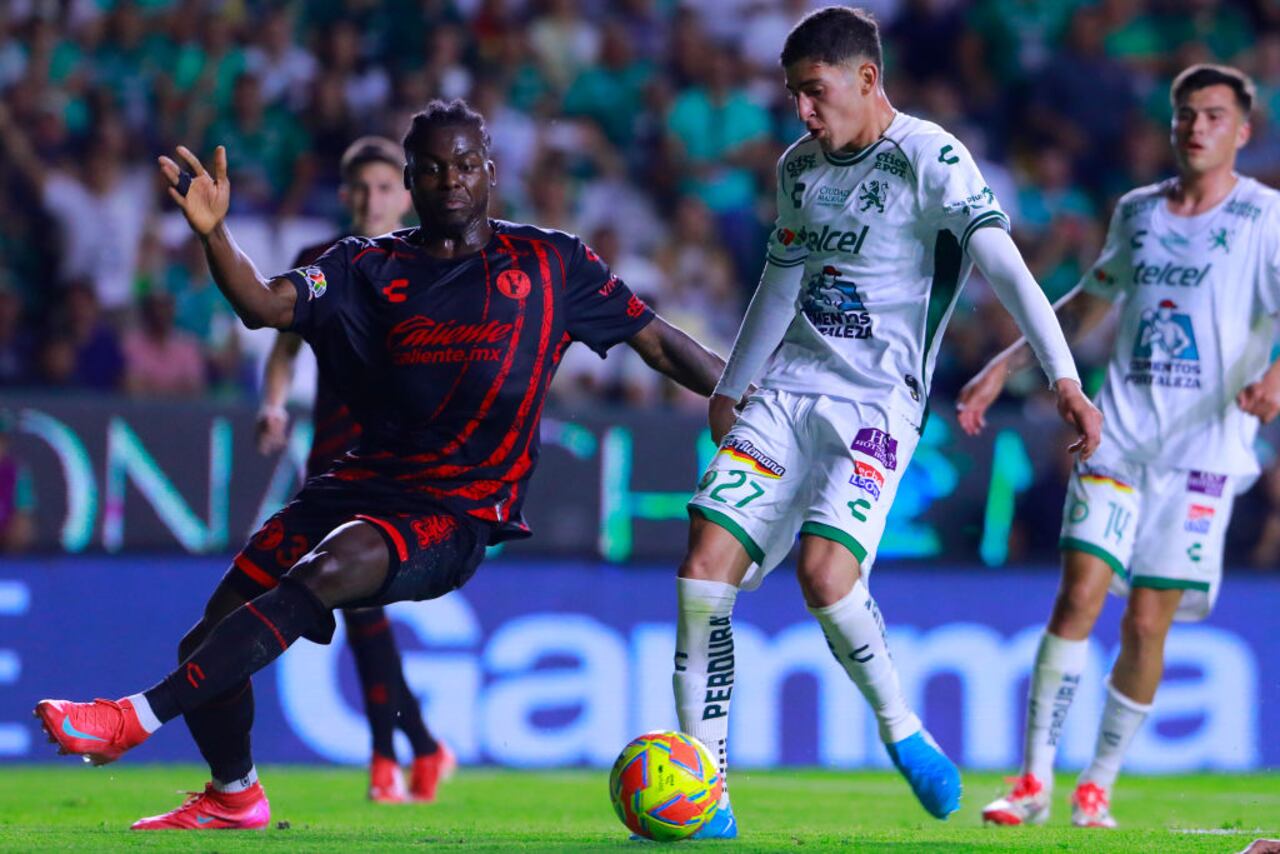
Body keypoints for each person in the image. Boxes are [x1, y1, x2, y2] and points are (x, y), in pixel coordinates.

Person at [35, 99, 728, 831]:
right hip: (357, 485)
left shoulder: (553, 264)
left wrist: (746, 397)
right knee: (209, 638)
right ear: (411, 179)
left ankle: (132, 718)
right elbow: (265, 307)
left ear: (489, 170)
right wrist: (214, 236)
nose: (451, 180)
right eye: (432, 168)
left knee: (332, 569)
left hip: (457, 511)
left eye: (465, 165)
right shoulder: (365, 266)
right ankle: (233, 794)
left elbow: (658, 343)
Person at [670, 7, 1101, 839]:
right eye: (794, 93)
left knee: (825, 577)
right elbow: (782, 278)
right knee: (700, 575)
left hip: (877, 406)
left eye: (814, 90)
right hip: (788, 394)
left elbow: (1006, 272)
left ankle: (900, 726)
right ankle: (707, 791)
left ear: (867, 78)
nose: (801, 110)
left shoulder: (931, 158)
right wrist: (734, 383)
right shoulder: (799, 167)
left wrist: (1065, 381)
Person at [961, 64, 1280, 829]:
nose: (1197, 127)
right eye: (1185, 115)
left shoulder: (1267, 217)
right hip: (1121, 436)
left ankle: (1097, 782)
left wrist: (1275, 376)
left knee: (1146, 622)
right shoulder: (1137, 212)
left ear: (1242, 130)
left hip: (1204, 452)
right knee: (1078, 593)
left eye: (1212, 116)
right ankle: (1033, 781)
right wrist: (1006, 364)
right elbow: (1090, 298)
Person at [256, 135, 456, 803]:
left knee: (361, 603)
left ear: (404, 193)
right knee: (352, 602)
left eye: (383, 188)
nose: (372, 201)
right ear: (345, 197)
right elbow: (285, 348)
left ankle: (386, 759)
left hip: (398, 460)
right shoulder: (321, 265)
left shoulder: (431, 265)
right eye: (360, 190)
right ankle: (421, 746)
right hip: (330, 454)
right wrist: (274, 406)